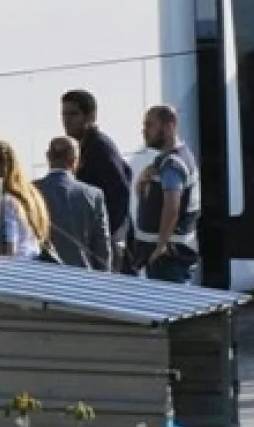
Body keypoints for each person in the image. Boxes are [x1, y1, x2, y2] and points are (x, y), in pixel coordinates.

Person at [60, 90, 133, 270]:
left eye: (73, 114)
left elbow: (121, 191)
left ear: (90, 116)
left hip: (108, 241)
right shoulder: (83, 146)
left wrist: (105, 235)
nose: (66, 120)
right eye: (64, 114)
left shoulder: (100, 148)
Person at [131, 105, 202, 284]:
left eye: (149, 126)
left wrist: (161, 246)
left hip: (167, 256)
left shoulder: (172, 164)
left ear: (169, 127)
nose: (144, 131)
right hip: (167, 254)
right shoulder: (170, 158)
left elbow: (172, 207)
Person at [35, 137, 113, 270]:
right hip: (80, 278)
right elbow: (102, 246)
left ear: (48, 157)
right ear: (75, 160)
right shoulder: (94, 195)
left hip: (41, 275)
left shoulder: (32, 191)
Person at [0, 140, 53, 261]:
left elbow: (11, 249)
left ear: (4, 168)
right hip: (34, 262)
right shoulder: (30, 195)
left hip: (17, 269)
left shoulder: (7, 201)